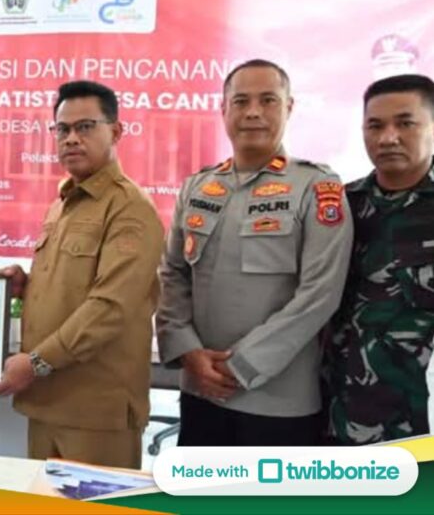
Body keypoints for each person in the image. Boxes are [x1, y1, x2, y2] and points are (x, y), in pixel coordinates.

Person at [156, 59, 354, 446]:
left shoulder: (317, 188)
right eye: (241, 101)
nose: (252, 112)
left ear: (289, 107)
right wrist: (188, 351)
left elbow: (320, 294)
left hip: (279, 402)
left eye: (268, 100)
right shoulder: (197, 187)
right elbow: (172, 274)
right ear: (223, 108)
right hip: (200, 390)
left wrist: (242, 365)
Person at [0, 80, 164, 469]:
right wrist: (26, 285)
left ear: (115, 132)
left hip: (95, 410)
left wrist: (35, 362)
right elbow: (70, 286)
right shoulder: (64, 203)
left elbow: (109, 308)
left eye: (85, 127)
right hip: (46, 400)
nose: (71, 138)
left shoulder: (129, 208)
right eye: (62, 129)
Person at [324, 74, 434, 444]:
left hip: (416, 424)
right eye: (375, 126)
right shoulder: (339, 207)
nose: (388, 138)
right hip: (334, 416)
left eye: (405, 123)